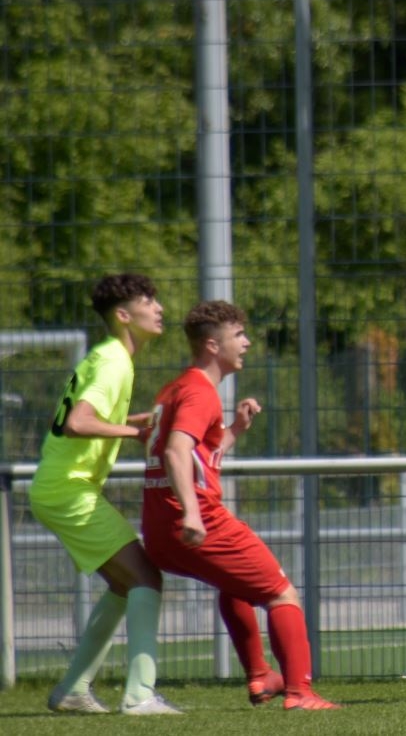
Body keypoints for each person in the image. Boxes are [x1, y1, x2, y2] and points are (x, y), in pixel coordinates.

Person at [141, 300, 340, 711]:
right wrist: (192, 513)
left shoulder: (175, 388)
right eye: (238, 335)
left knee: (235, 584)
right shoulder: (200, 392)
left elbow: (198, 455)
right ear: (213, 345)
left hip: (159, 528)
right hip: (196, 519)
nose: (246, 343)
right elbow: (176, 451)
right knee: (282, 594)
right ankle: (300, 693)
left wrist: (234, 430)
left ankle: (260, 675)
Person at [30, 273, 179, 715]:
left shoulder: (107, 356)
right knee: (146, 577)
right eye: (148, 302)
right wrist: (137, 432)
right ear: (123, 315)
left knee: (123, 582)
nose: (159, 308)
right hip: (69, 490)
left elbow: (70, 420)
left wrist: (132, 420)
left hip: (62, 488)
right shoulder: (114, 361)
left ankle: (73, 690)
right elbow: (78, 422)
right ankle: (139, 696)